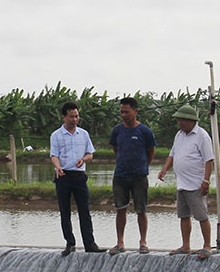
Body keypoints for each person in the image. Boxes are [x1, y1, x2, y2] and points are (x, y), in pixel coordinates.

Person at [157, 104, 215, 258]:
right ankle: (185, 245)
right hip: (181, 183)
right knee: (183, 215)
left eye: (182, 120)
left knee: (202, 215)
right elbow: (172, 154)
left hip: (196, 183)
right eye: (178, 120)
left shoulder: (202, 136)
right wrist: (165, 169)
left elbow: (209, 161)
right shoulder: (179, 135)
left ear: (191, 120)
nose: (179, 123)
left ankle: (207, 246)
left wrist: (206, 181)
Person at [50, 101, 102, 256]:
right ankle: (70, 243)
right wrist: (58, 166)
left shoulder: (84, 134)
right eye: (71, 116)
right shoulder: (56, 135)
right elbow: (54, 155)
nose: (75, 119)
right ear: (64, 117)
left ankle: (90, 244)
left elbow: (90, 154)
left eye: (77, 116)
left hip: (79, 176)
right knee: (64, 211)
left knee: (84, 211)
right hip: (63, 175)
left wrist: (84, 159)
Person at [108, 96, 156, 255]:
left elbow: (151, 153)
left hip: (139, 176)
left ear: (135, 111)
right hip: (120, 175)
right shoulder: (117, 131)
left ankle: (143, 242)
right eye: (121, 112)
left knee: (141, 210)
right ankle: (120, 242)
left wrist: (142, 166)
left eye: (126, 112)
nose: (123, 115)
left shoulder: (145, 131)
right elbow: (116, 149)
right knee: (120, 209)